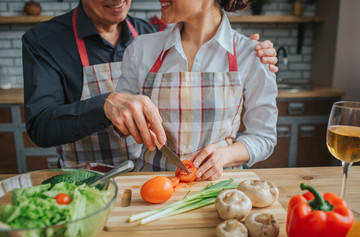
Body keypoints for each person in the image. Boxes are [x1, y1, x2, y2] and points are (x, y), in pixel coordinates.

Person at [22, 0, 278, 170]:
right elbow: (41, 127)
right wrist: (105, 106)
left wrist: (249, 52)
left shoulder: (143, 34)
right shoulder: (45, 42)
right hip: (90, 180)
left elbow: (263, 135)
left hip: (165, 181)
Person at [114, 0, 278, 180]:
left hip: (216, 191)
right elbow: (119, 126)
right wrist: (127, 119)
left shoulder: (251, 54)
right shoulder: (141, 49)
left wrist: (223, 156)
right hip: (150, 188)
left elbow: (263, 137)